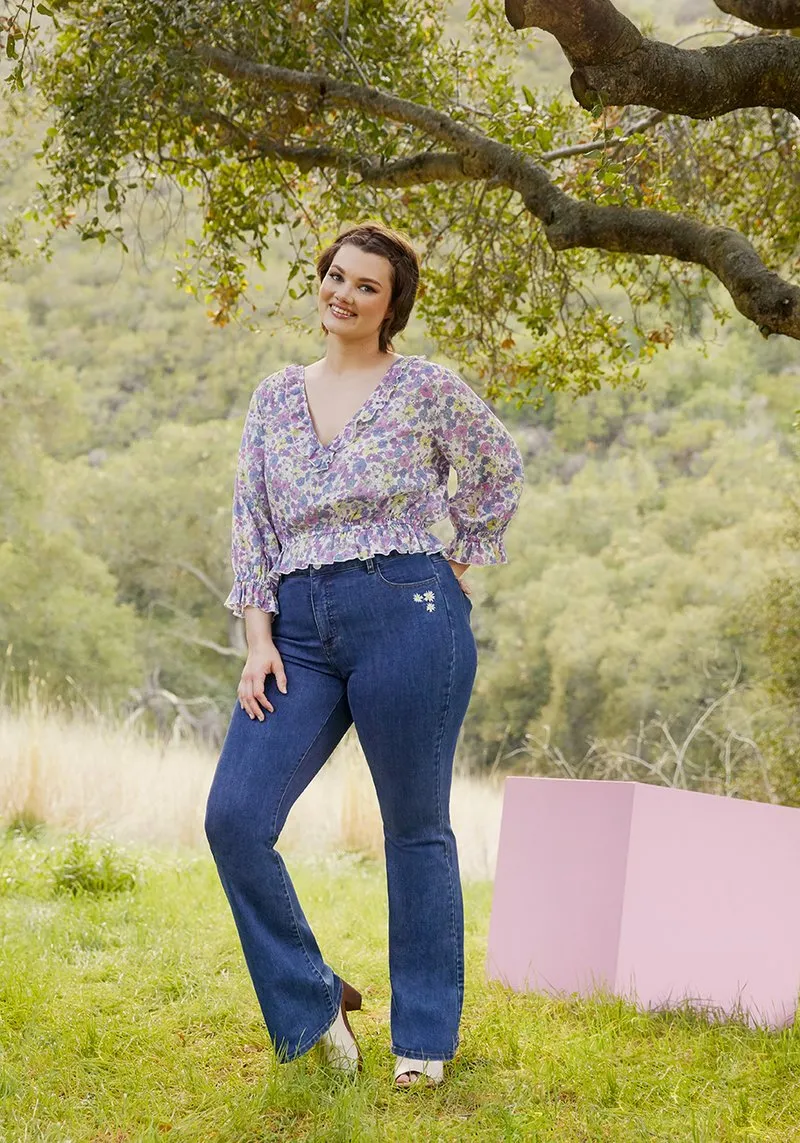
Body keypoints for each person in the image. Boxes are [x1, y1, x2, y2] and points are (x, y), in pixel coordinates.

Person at [204, 220, 525, 1089]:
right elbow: (251, 523)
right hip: (298, 630)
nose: (342, 293)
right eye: (335, 276)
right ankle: (313, 1000)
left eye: (365, 286)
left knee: (415, 829)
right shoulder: (275, 396)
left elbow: (498, 467)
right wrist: (258, 636)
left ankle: (423, 1040)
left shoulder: (424, 386)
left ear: (393, 307)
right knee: (233, 816)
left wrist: (456, 567)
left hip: (408, 611)